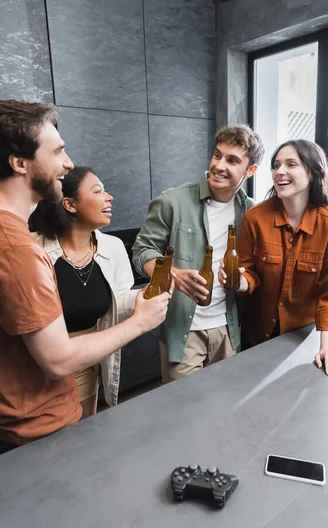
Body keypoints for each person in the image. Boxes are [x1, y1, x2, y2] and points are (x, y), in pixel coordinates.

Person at [0, 100, 171, 455]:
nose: (68, 163)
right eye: (58, 151)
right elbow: (58, 359)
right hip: (36, 431)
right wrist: (141, 323)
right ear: (19, 163)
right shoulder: (20, 250)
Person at [132, 125, 265, 383]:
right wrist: (172, 274)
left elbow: (254, 271)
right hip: (183, 330)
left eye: (232, 160)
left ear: (250, 171)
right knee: (182, 414)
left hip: (229, 330)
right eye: (217, 155)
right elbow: (141, 251)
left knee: (225, 408)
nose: (219, 165)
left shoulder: (252, 213)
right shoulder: (172, 201)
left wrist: (240, 282)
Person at [219, 139, 328, 377]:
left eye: (291, 164)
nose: (280, 172)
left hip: (300, 339)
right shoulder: (255, 218)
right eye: (276, 165)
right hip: (255, 336)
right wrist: (238, 280)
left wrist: (326, 348)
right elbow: (249, 274)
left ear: (312, 171)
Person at [31, 166, 137, 418]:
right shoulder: (32, 248)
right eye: (98, 191)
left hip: (87, 364)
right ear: (69, 204)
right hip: (35, 370)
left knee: (80, 439)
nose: (109, 197)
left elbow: (119, 302)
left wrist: (148, 298)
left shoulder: (113, 247)